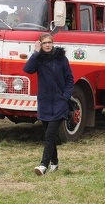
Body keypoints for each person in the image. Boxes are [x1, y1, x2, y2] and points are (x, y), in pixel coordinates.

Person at [23, 33, 74, 175]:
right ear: (40, 44)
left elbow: (70, 78)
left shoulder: (61, 58)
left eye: (49, 42)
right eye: (44, 43)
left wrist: (66, 95)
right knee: (48, 134)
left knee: (50, 135)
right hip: (45, 102)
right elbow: (27, 69)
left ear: (53, 43)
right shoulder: (38, 59)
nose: (47, 45)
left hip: (59, 102)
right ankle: (55, 163)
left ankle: (43, 165)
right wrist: (35, 52)